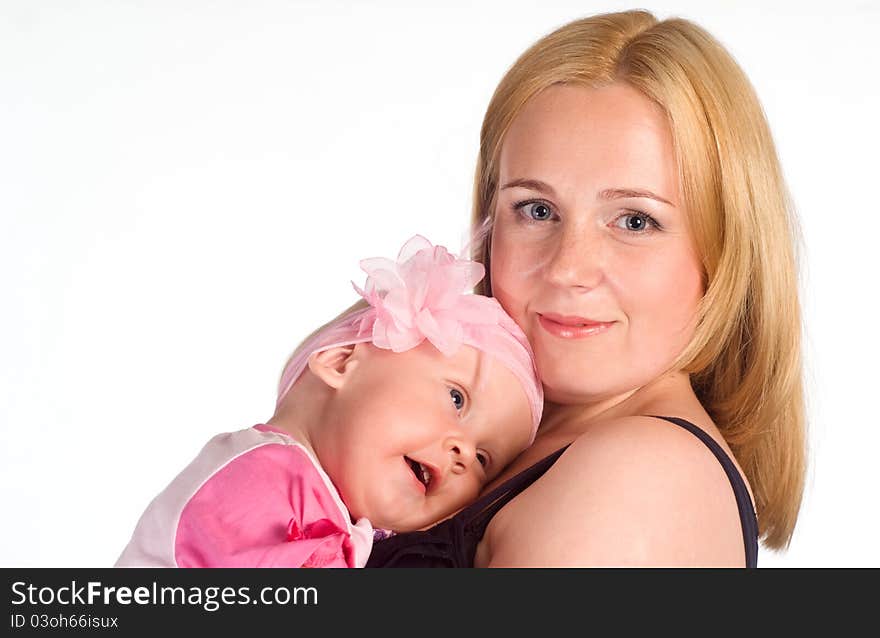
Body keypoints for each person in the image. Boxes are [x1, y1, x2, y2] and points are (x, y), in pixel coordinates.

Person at [366, 10, 806, 567]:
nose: (568, 268)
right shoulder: (491, 443)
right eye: (537, 209)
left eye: (635, 221)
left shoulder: (639, 476)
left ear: (724, 253)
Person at [114, 235, 543, 568]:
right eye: (456, 398)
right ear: (341, 362)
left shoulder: (331, 506)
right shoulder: (255, 472)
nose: (464, 452)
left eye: (485, 459)